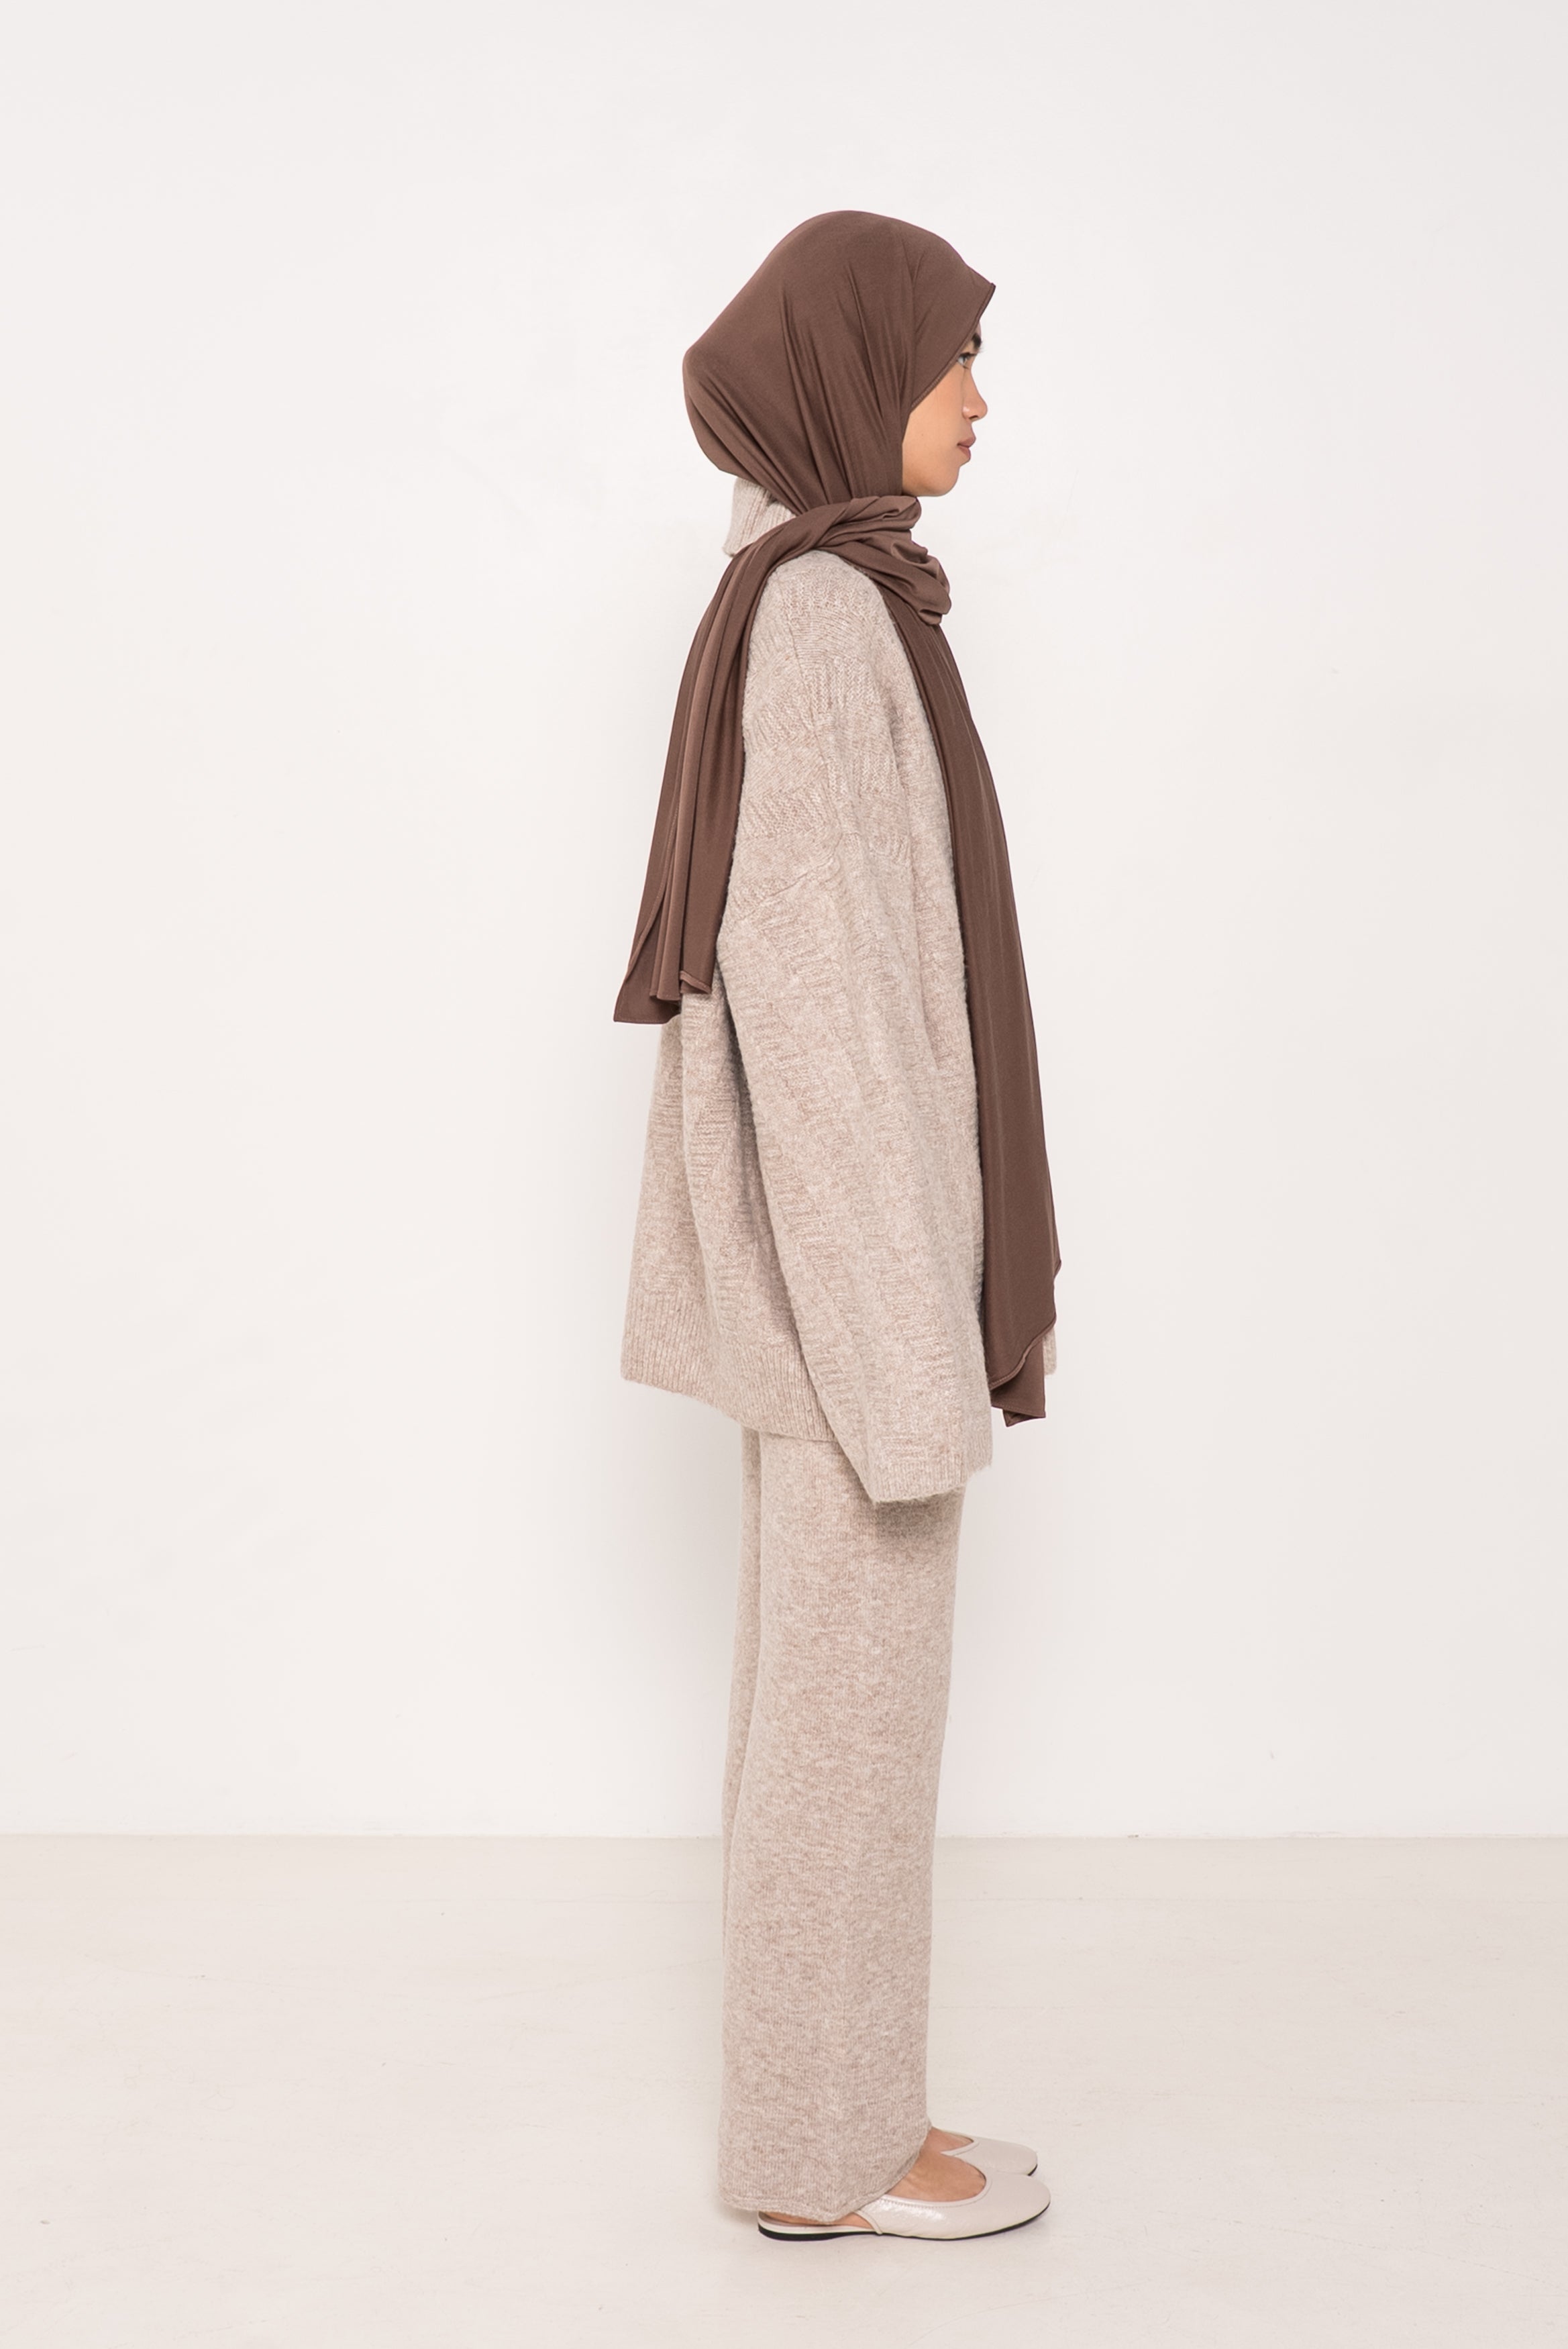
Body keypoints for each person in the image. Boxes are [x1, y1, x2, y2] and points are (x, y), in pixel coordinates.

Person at [615, 211, 1061, 2242]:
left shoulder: (820, 597)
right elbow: (813, 999)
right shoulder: (816, 619)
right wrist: (900, 1337)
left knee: (834, 1712)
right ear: (853, 366)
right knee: (841, 1725)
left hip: (848, 1272)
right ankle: (822, 2152)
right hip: (848, 1287)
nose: (978, 396)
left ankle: (846, 2106)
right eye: (951, 353)